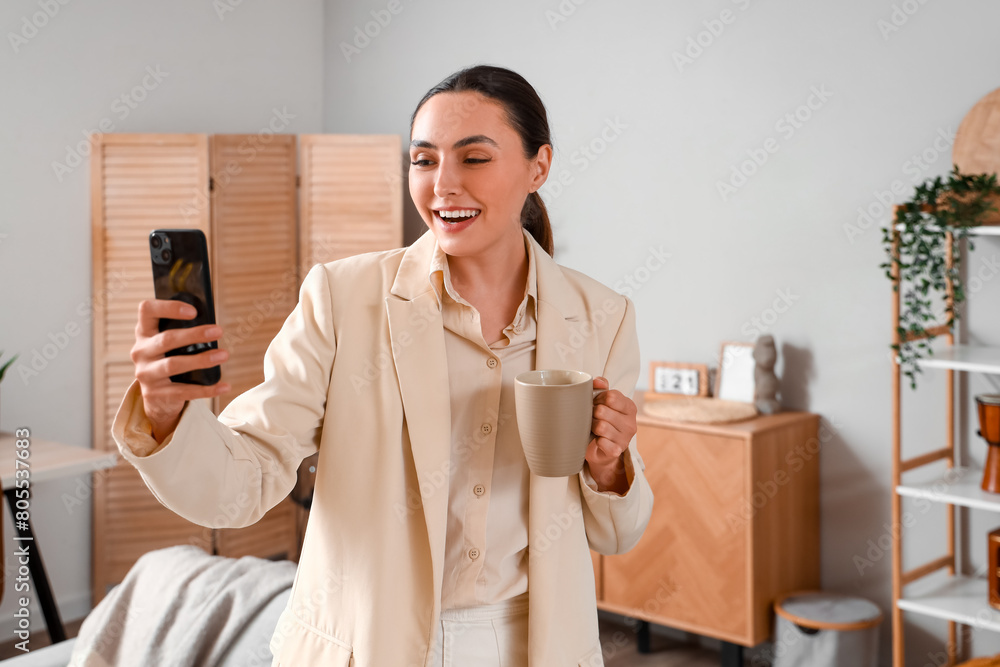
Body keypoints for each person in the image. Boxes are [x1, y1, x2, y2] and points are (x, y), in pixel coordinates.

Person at [112, 65, 653, 667]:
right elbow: (247, 479)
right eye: (424, 160)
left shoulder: (602, 316)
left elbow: (615, 533)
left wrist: (609, 469)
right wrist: (166, 415)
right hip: (368, 646)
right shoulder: (343, 298)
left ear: (539, 167)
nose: (443, 184)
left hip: (533, 647)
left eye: (474, 158)